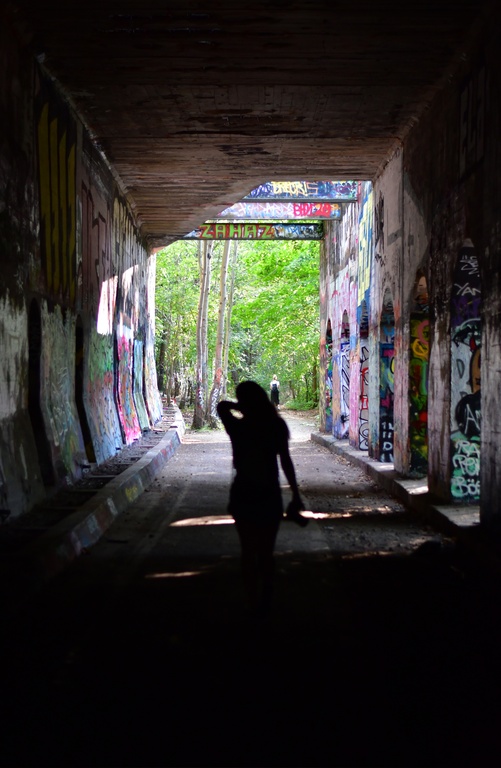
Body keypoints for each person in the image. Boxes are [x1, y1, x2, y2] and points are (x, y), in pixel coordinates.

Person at [217, 380, 308, 617]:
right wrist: (296, 495)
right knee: (266, 552)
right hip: (269, 495)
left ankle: (251, 601)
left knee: (248, 550)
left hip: (243, 493)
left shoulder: (238, 428)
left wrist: (241, 406)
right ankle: (266, 600)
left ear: (245, 402)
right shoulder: (275, 426)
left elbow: (221, 407)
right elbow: (285, 462)